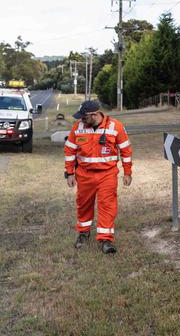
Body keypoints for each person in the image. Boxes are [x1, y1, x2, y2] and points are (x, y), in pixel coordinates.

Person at [64, 100, 133, 253]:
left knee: (107, 206)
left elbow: (126, 151)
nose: (81, 120)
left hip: (107, 175)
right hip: (84, 175)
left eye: (84, 117)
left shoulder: (116, 127)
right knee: (83, 205)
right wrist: (69, 173)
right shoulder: (78, 127)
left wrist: (127, 172)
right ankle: (83, 232)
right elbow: (69, 151)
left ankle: (106, 240)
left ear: (94, 115)